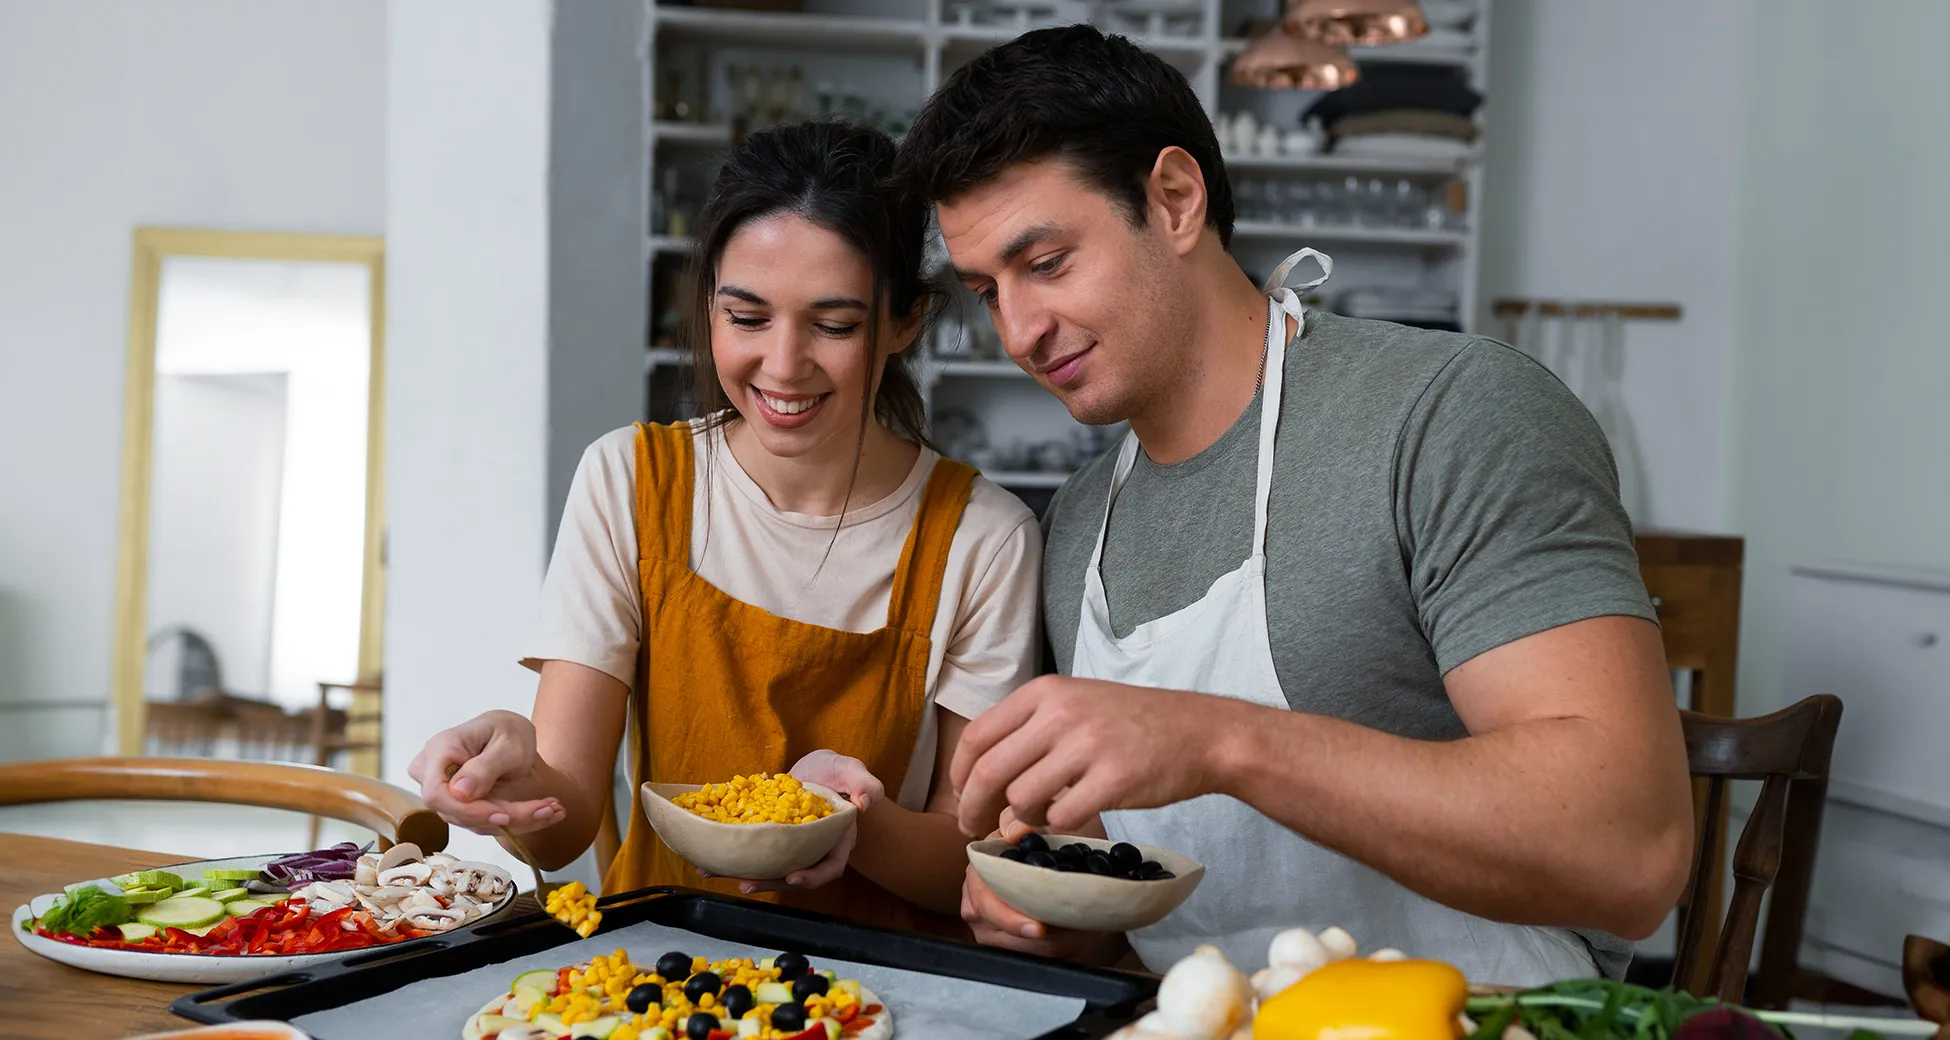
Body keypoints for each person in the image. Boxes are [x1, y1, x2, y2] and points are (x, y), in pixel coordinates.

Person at [893, 26, 1696, 984]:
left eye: (1049, 262)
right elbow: (1193, 906)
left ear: (1177, 200)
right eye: (988, 291)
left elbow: (1630, 851)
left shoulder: (1450, 416)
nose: (1018, 331)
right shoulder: (1075, 530)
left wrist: (1220, 739)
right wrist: (1069, 914)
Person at [407, 121, 1043, 936]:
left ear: (904, 323)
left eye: (835, 325)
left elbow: (966, 859)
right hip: (643, 969)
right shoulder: (634, 482)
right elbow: (563, 822)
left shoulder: (982, 538)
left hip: (876, 986)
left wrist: (850, 820)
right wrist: (508, 768)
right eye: (746, 317)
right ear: (708, 303)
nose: (783, 365)